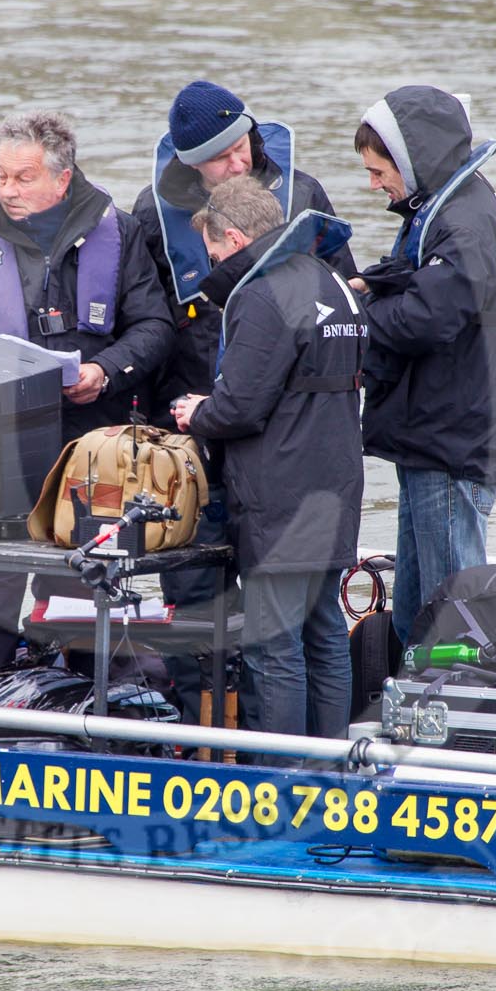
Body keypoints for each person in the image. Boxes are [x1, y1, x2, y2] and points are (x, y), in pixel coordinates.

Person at [0, 110, 174, 697]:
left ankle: (90, 720)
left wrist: (105, 370)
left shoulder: (123, 233)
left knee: (86, 593)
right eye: (2, 176)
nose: (7, 189)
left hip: (93, 444)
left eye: (23, 178)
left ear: (62, 178)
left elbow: (155, 328)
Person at [169, 178, 364, 752]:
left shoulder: (261, 294)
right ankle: (330, 769)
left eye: (214, 252)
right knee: (325, 632)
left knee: (276, 644)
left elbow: (241, 407)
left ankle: (281, 782)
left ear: (232, 236)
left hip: (281, 493)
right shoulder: (329, 277)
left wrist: (196, 412)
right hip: (335, 482)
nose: (215, 263)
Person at [349, 86, 496, 649]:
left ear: (412, 160)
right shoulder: (445, 208)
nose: (375, 185)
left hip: (452, 438)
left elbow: (427, 317)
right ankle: (412, 708)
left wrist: (360, 310)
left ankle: (453, 719)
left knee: (452, 611)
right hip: (432, 436)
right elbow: (422, 288)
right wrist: (377, 283)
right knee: (418, 606)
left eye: (379, 172)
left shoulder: (462, 222)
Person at [133, 80, 356, 417]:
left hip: (290, 402)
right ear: (192, 163)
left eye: (240, 147)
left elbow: (344, 291)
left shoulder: (303, 195)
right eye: (220, 158)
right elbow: (144, 317)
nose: (238, 164)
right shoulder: (153, 213)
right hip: (188, 400)